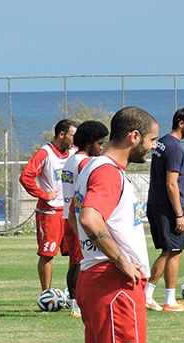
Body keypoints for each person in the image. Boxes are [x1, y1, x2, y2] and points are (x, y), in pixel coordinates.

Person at [69, 107, 158, 343]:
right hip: (112, 282)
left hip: (93, 276)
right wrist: (122, 261)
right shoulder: (107, 171)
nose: (153, 147)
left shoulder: (89, 167)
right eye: (152, 139)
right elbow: (90, 217)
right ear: (134, 136)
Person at [144, 107, 184, 313]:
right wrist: (179, 214)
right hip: (168, 208)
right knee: (173, 251)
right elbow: (171, 183)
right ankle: (153, 296)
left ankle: (165, 298)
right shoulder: (175, 148)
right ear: (181, 123)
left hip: (155, 204)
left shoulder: (160, 143)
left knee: (169, 251)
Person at [19, 119, 78, 294]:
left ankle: (73, 294)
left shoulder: (74, 153)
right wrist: (44, 195)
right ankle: (46, 294)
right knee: (47, 254)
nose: (76, 139)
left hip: (70, 211)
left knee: (75, 254)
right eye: (73, 135)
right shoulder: (45, 153)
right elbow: (26, 176)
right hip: (50, 212)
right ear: (62, 135)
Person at [60, 120, 109, 318]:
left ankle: (74, 303)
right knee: (84, 263)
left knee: (75, 263)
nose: (101, 148)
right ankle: (80, 305)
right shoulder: (85, 163)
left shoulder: (70, 160)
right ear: (89, 143)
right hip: (79, 218)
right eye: (99, 143)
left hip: (67, 216)